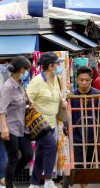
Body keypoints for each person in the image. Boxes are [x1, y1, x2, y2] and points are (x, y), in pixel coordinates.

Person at [26, 52, 67, 188]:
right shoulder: (37, 81)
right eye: (57, 64)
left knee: (41, 154)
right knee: (52, 147)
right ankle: (48, 180)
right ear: (50, 66)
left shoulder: (56, 79)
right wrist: (30, 103)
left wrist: (62, 102)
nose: (59, 65)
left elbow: (57, 96)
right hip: (40, 124)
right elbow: (25, 98)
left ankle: (33, 183)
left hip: (52, 123)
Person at [0, 57, 33, 188]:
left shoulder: (20, 84)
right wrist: (4, 127)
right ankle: (8, 184)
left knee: (28, 154)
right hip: (9, 127)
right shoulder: (8, 86)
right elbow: (2, 109)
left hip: (21, 126)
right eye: (27, 70)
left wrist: (29, 102)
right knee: (13, 158)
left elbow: (23, 99)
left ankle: (8, 178)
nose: (28, 73)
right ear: (22, 69)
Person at [70, 66, 100, 188]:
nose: (84, 82)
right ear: (77, 80)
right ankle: (83, 185)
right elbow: (67, 114)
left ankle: (84, 183)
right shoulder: (71, 96)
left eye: (87, 80)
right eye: (81, 79)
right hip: (77, 134)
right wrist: (68, 126)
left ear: (91, 80)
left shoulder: (98, 95)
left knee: (89, 163)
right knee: (79, 163)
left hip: (92, 134)